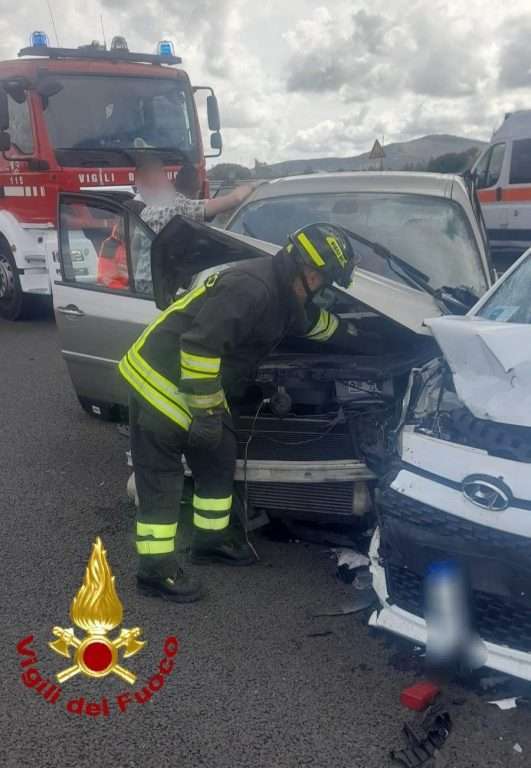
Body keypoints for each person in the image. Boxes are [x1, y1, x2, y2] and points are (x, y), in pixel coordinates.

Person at [119, 223, 364, 603]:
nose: (323, 289)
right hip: (159, 381)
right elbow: (199, 348)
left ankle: (210, 541)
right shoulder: (252, 288)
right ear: (311, 273)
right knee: (161, 480)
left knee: (218, 457)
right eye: (326, 281)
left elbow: (312, 323)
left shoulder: (285, 294)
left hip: (201, 388)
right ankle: (155, 570)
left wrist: (361, 338)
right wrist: (206, 415)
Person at [131, 155, 253, 293]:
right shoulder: (178, 206)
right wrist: (251, 186)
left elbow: (135, 250)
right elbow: (235, 199)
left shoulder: (146, 211)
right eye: (163, 173)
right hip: (164, 290)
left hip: (141, 286)